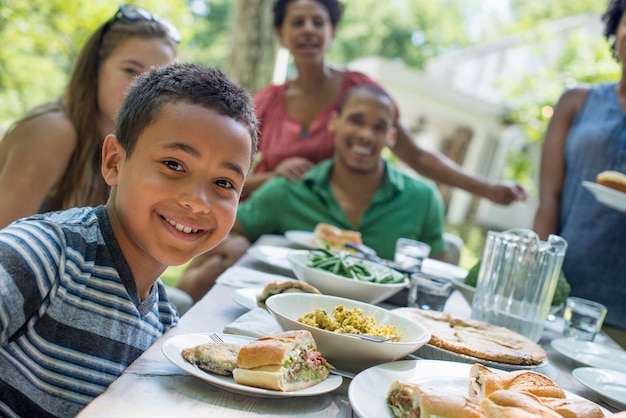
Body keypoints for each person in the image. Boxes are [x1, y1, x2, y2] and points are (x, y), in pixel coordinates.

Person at [0, 63, 258, 417]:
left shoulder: (164, 323)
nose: (197, 201)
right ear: (114, 162)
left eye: (224, 183)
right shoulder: (44, 252)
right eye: (173, 164)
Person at [0, 5, 242, 306]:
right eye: (130, 70)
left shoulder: (137, 147)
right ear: (96, 70)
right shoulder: (54, 131)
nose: (139, 85)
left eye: (156, 76)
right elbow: (7, 241)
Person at [243, 0, 527, 206]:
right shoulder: (266, 103)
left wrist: (486, 188)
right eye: (297, 22)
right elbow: (232, 178)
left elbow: (417, 156)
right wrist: (274, 177)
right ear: (281, 34)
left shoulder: (361, 91)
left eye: (318, 22)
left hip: (334, 223)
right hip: (267, 217)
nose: (308, 30)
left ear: (333, 32)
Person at [234, 84, 446, 262]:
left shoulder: (424, 199)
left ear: (391, 137)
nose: (365, 135)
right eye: (356, 121)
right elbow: (227, 228)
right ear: (334, 122)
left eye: (379, 127)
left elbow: (437, 276)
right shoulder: (288, 189)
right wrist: (235, 246)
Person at [532, 0, 626, 346]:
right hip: (560, 297)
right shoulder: (576, 101)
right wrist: (534, 284)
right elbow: (549, 200)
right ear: (615, 29)